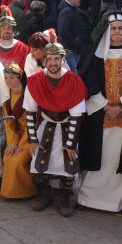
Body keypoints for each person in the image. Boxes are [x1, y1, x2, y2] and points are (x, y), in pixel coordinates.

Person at [77, 12, 122, 214]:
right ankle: (88, 199)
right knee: (98, 154)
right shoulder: (95, 57)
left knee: (118, 157)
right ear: (107, 31)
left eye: (120, 28)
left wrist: (120, 106)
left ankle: (115, 202)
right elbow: (87, 82)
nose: (117, 32)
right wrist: (105, 106)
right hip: (98, 114)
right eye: (113, 29)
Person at [23, 39, 87, 216]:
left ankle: (64, 197)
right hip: (45, 126)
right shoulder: (35, 81)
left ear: (62, 59)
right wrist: (32, 140)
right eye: (49, 59)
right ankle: (45, 194)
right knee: (39, 163)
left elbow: (76, 115)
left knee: (68, 165)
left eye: (56, 59)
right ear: (45, 60)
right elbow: (29, 111)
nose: (53, 63)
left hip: (67, 128)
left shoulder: (74, 81)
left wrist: (70, 144)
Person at [0, 62, 37, 199]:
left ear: (20, 77)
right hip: (16, 136)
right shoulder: (7, 98)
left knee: (18, 160)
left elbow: (34, 121)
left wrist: (21, 143)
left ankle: (28, 191)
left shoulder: (29, 95)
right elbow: (8, 123)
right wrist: (13, 142)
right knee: (8, 156)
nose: (9, 81)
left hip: (31, 135)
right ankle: (10, 192)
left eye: (12, 77)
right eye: (6, 78)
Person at [57, 0, 87, 72]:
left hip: (73, 51)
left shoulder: (73, 10)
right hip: (69, 51)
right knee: (72, 78)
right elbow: (63, 31)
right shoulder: (67, 11)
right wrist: (76, 43)